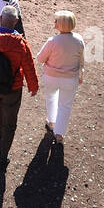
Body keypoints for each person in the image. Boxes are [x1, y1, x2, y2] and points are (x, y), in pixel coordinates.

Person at [0, 5, 39, 165]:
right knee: (10, 122)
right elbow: (29, 66)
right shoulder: (21, 44)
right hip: (13, 88)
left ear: (1, 19)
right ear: (16, 22)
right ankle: (3, 155)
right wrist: (33, 86)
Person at [34, 10, 84, 144]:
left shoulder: (52, 41)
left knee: (51, 97)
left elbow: (40, 59)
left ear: (60, 24)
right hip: (70, 79)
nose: (54, 22)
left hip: (51, 77)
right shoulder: (78, 40)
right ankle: (60, 133)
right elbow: (81, 59)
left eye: (56, 21)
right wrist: (81, 73)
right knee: (65, 106)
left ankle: (51, 122)